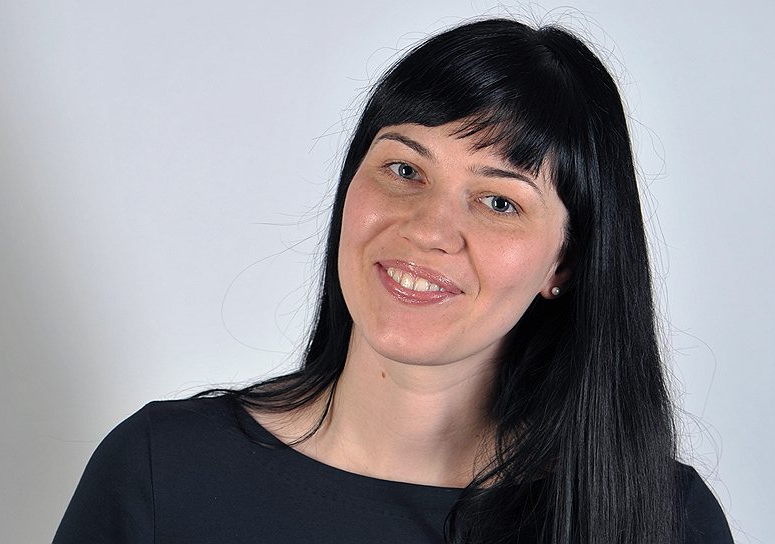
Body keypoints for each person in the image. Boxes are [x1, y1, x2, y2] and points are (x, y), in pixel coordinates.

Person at [54, 18, 733, 544]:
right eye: (405, 170)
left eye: (499, 201)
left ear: (564, 264)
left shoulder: (660, 519)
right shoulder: (161, 474)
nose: (429, 228)